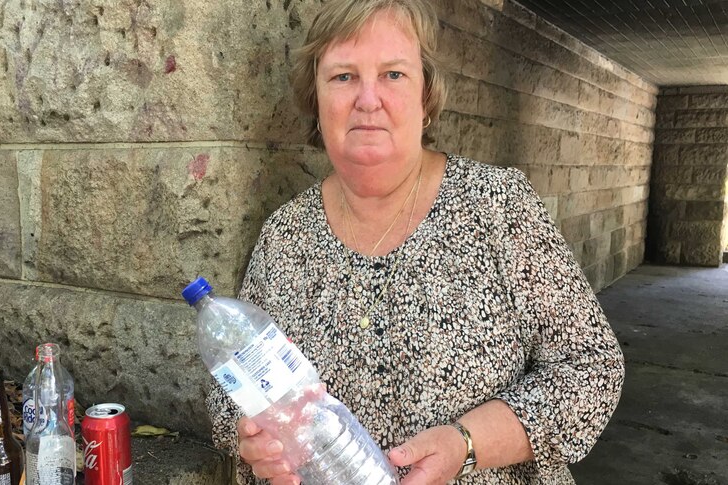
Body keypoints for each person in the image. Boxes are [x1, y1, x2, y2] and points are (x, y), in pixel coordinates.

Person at [206, 0, 625, 483]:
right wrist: (254, 439)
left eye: (393, 74)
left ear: (426, 97)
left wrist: (465, 444)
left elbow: (592, 369)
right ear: (315, 102)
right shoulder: (284, 235)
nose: (367, 99)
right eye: (343, 77)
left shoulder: (495, 205)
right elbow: (229, 395)